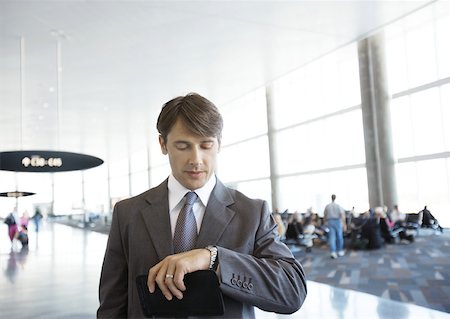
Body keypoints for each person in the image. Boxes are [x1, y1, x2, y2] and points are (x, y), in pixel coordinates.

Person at [97, 93, 307, 318]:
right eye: (183, 146)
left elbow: (292, 290)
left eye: (206, 145)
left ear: (219, 144)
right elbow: (112, 305)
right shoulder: (129, 213)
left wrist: (214, 259)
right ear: (163, 144)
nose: (196, 159)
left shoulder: (251, 213)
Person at [323, 194, 346, 259]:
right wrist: (344, 224)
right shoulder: (338, 206)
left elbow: (325, 214)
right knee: (339, 236)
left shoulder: (327, 206)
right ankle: (340, 251)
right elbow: (342, 215)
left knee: (332, 237)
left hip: (330, 221)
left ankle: (333, 252)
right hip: (337, 221)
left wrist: (325, 222)